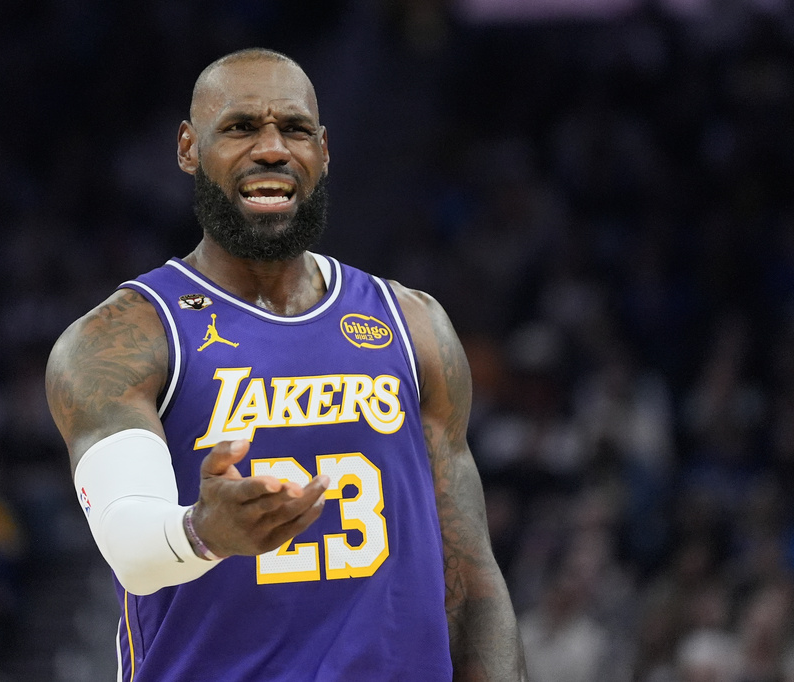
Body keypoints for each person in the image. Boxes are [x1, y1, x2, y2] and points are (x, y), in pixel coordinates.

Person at [45, 47, 527, 681]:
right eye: (242, 127)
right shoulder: (125, 337)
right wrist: (201, 531)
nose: (272, 149)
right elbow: (131, 544)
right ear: (189, 149)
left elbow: (471, 577)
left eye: (294, 129)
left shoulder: (413, 325)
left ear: (323, 151)